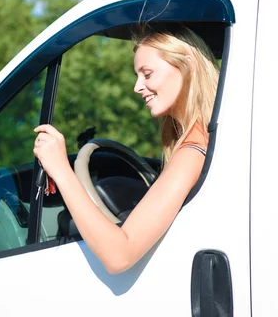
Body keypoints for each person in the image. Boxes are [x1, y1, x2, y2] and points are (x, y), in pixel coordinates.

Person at [33, 24, 220, 274]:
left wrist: (61, 170)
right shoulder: (207, 139)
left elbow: (119, 256)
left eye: (147, 74)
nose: (137, 87)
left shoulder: (193, 151)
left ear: (188, 65)